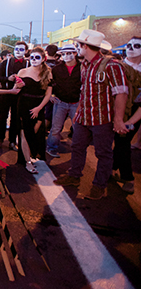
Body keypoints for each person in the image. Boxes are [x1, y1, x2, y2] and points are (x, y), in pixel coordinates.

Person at [54, 30, 128, 200]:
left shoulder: (111, 66)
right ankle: (74, 176)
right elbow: (85, 91)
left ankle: (99, 186)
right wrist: (79, 110)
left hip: (102, 119)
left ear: (85, 46)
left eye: (78, 45)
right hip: (84, 117)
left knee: (103, 153)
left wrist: (118, 119)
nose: (77, 49)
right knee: (77, 147)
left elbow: (121, 93)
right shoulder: (86, 65)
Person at [15, 47, 52, 173]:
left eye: (37, 57)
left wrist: (39, 108)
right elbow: (15, 90)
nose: (34, 60)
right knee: (25, 134)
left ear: (43, 59)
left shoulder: (48, 72)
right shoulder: (22, 71)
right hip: (24, 105)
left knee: (34, 134)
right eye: (32, 57)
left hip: (38, 106)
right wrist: (17, 85)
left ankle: (31, 156)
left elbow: (48, 94)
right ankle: (28, 162)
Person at [113, 36, 141, 193]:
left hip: (134, 114)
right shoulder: (117, 66)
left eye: (137, 45)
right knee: (120, 142)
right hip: (115, 112)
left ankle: (127, 177)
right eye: (129, 45)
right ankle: (114, 169)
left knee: (122, 142)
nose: (131, 48)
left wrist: (129, 121)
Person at [46, 44, 82, 158]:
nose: (66, 56)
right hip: (60, 102)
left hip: (76, 102)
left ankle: (79, 149)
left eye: (69, 53)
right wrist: (50, 95)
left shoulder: (82, 68)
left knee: (78, 128)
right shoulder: (57, 69)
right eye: (64, 54)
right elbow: (49, 83)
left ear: (75, 54)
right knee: (56, 127)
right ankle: (51, 147)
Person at [0, 42, 30, 151]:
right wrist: (7, 79)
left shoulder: (28, 64)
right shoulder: (5, 63)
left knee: (16, 118)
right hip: (7, 93)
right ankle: (0, 139)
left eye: (21, 49)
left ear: (26, 51)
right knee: (2, 116)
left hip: (20, 96)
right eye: (17, 49)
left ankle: (12, 141)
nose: (18, 51)